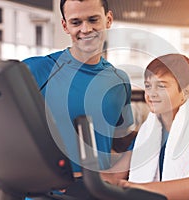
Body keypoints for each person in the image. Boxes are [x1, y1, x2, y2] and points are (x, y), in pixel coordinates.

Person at [23, 0, 134, 198]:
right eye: (76, 22)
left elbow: (120, 140)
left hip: (97, 194)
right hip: (44, 194)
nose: (86, 29)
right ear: (65, 25)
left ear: (108, 20)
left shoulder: (119, 80)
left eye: (93, 20)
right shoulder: (35, 71)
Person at [115, 54, 189, 200]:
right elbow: (117, 173)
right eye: (148, 86)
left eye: (161, 86)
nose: (151, 93)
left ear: (185, 92)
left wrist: (139, 189)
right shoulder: (147, 132)